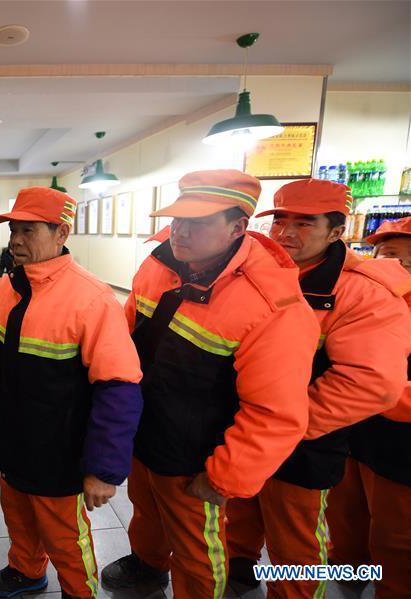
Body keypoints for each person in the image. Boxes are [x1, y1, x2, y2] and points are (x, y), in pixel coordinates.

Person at [0, 187, 143, 599]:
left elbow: (119, 387)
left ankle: (80, 593)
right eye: (13, 230)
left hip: (60, 451)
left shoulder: (91, 299)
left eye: (28, 230)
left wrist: (105, 468)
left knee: (66, 538)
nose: (16, 240)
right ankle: (26, 571)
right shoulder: (12, 285)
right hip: (14, 437)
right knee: (19, 517)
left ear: (61, 233)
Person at [99, 170, 320, 598]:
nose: (181, 231)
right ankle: (147, 565)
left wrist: (223, 478)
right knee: (147, 510)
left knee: (196, 551)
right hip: (144, 431)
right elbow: (127, 337)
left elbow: (276, 413)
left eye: (198, 221)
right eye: (178, 218)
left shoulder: (271, 304)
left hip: (196, 457)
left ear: (238, 227)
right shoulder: (160, 263)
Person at [223, 179, 411, 598]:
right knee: (241, 513)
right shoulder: (259, 273)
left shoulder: (361, 292)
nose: (286, 233)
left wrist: (280, 427)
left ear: (336, 231)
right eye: (280, 221)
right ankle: (239, 571)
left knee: (294, 538)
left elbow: (370, 383)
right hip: (245, 428)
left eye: (304, 223)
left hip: (304, 440)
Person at [325, 215, 411, 599]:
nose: (398, 265)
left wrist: (373, 391)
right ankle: (348, 569)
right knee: (345, 515)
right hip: (353, 431)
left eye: (408, 258)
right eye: (388, 254)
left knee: (396, 536)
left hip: (401, 443)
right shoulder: (361, 298)